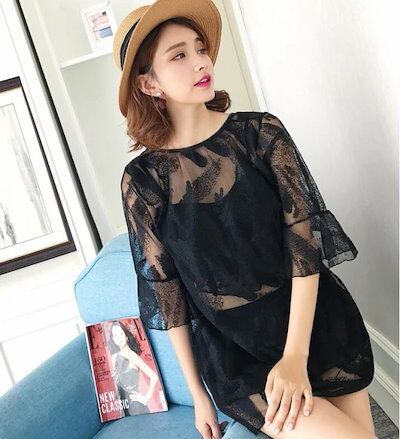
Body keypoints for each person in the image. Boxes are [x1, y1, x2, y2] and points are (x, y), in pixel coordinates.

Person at [113, 1, 376, 438]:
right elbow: (168, 292)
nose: (201, 61)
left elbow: (304, 246)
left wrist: (295, 356)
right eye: (179, 55)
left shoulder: (260, 134)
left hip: (314, 323)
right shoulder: (142, 182)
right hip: (239, 358)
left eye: (200, 48)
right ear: (149, 83)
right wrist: (198, 394)